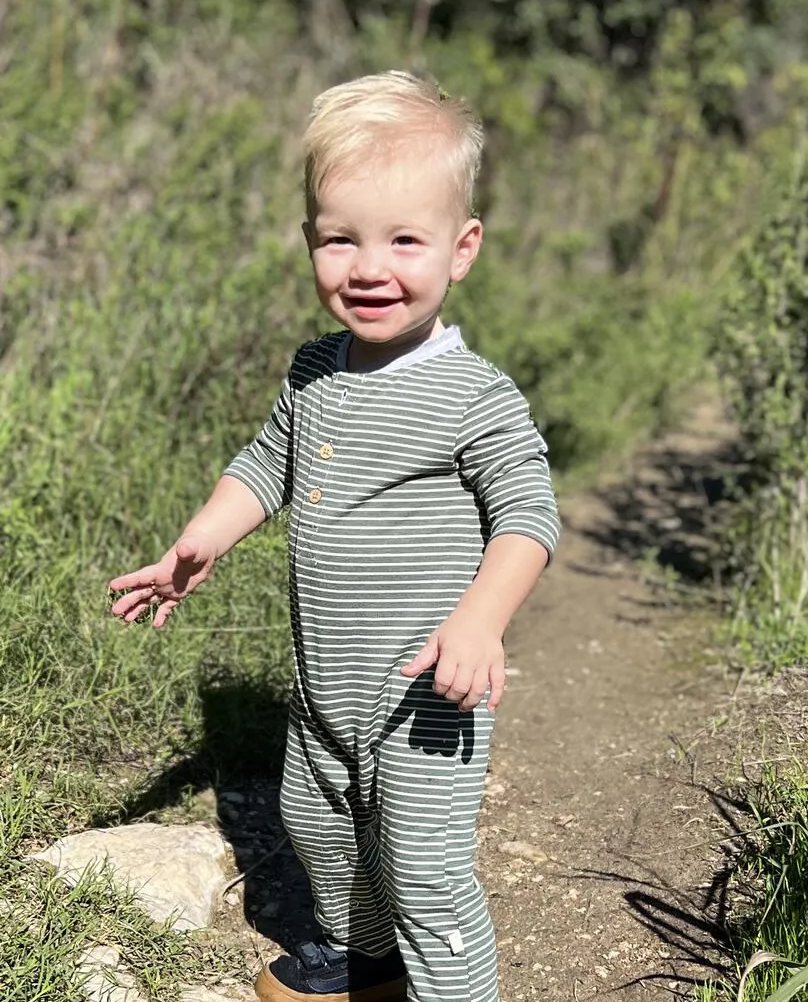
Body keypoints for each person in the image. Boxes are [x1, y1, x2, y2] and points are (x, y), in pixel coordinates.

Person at [109, 71, 560, 1002]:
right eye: (340, 240)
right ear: (310, 241)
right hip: (325, 687)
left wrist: (481, 621)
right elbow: (269, 461)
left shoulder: (473, 395)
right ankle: (367, 962)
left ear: (461, 248)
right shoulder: (316, 369)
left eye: (404, 240)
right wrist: (201, 540)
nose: (369, 268)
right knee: (316, 828)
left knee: (427, 876)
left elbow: (528, 513)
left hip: (427, 695)